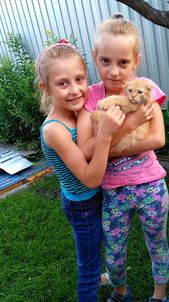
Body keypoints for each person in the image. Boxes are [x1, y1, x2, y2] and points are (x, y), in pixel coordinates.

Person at [77, 15, 169, 302]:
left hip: (151, 186)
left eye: (123, 63)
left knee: (158, 243)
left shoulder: (145, 88)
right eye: (105, 61)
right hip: (114, 191)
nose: (114, 72)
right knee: (114, 250)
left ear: (136, 61)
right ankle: (120, 291)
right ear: (94, 57)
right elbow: (87, 151)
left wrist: (107, 142)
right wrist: (128, 127)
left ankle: (159, 296)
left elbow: (157, 139)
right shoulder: (90, 98)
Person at [36, 39, 125, 302]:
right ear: (46, 88)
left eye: (80, 79)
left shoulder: (75, 112)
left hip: (93, 199)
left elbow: (86, 146)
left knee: (97, 250)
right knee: (87, 268)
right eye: (63, 83)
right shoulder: (54, 129)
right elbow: (89, 178)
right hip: (82, 204)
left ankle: (104, 275)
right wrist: (106, 136)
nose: (75, 90)